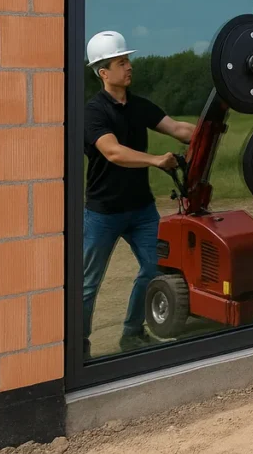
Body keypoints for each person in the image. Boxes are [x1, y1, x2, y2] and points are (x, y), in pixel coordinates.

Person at [82, 30, 195, 356]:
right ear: (104, 73)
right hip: (104, 213)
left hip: (141, 210)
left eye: (128, 60)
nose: (129, 66)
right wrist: (156, 160)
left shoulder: (138, 105)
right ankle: (79, 346)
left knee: (154, 268)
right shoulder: (94, 112)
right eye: (121, 62)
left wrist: (211, 126)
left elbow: (177, 129)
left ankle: (132, 332)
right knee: (89, 284)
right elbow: (114, 152)